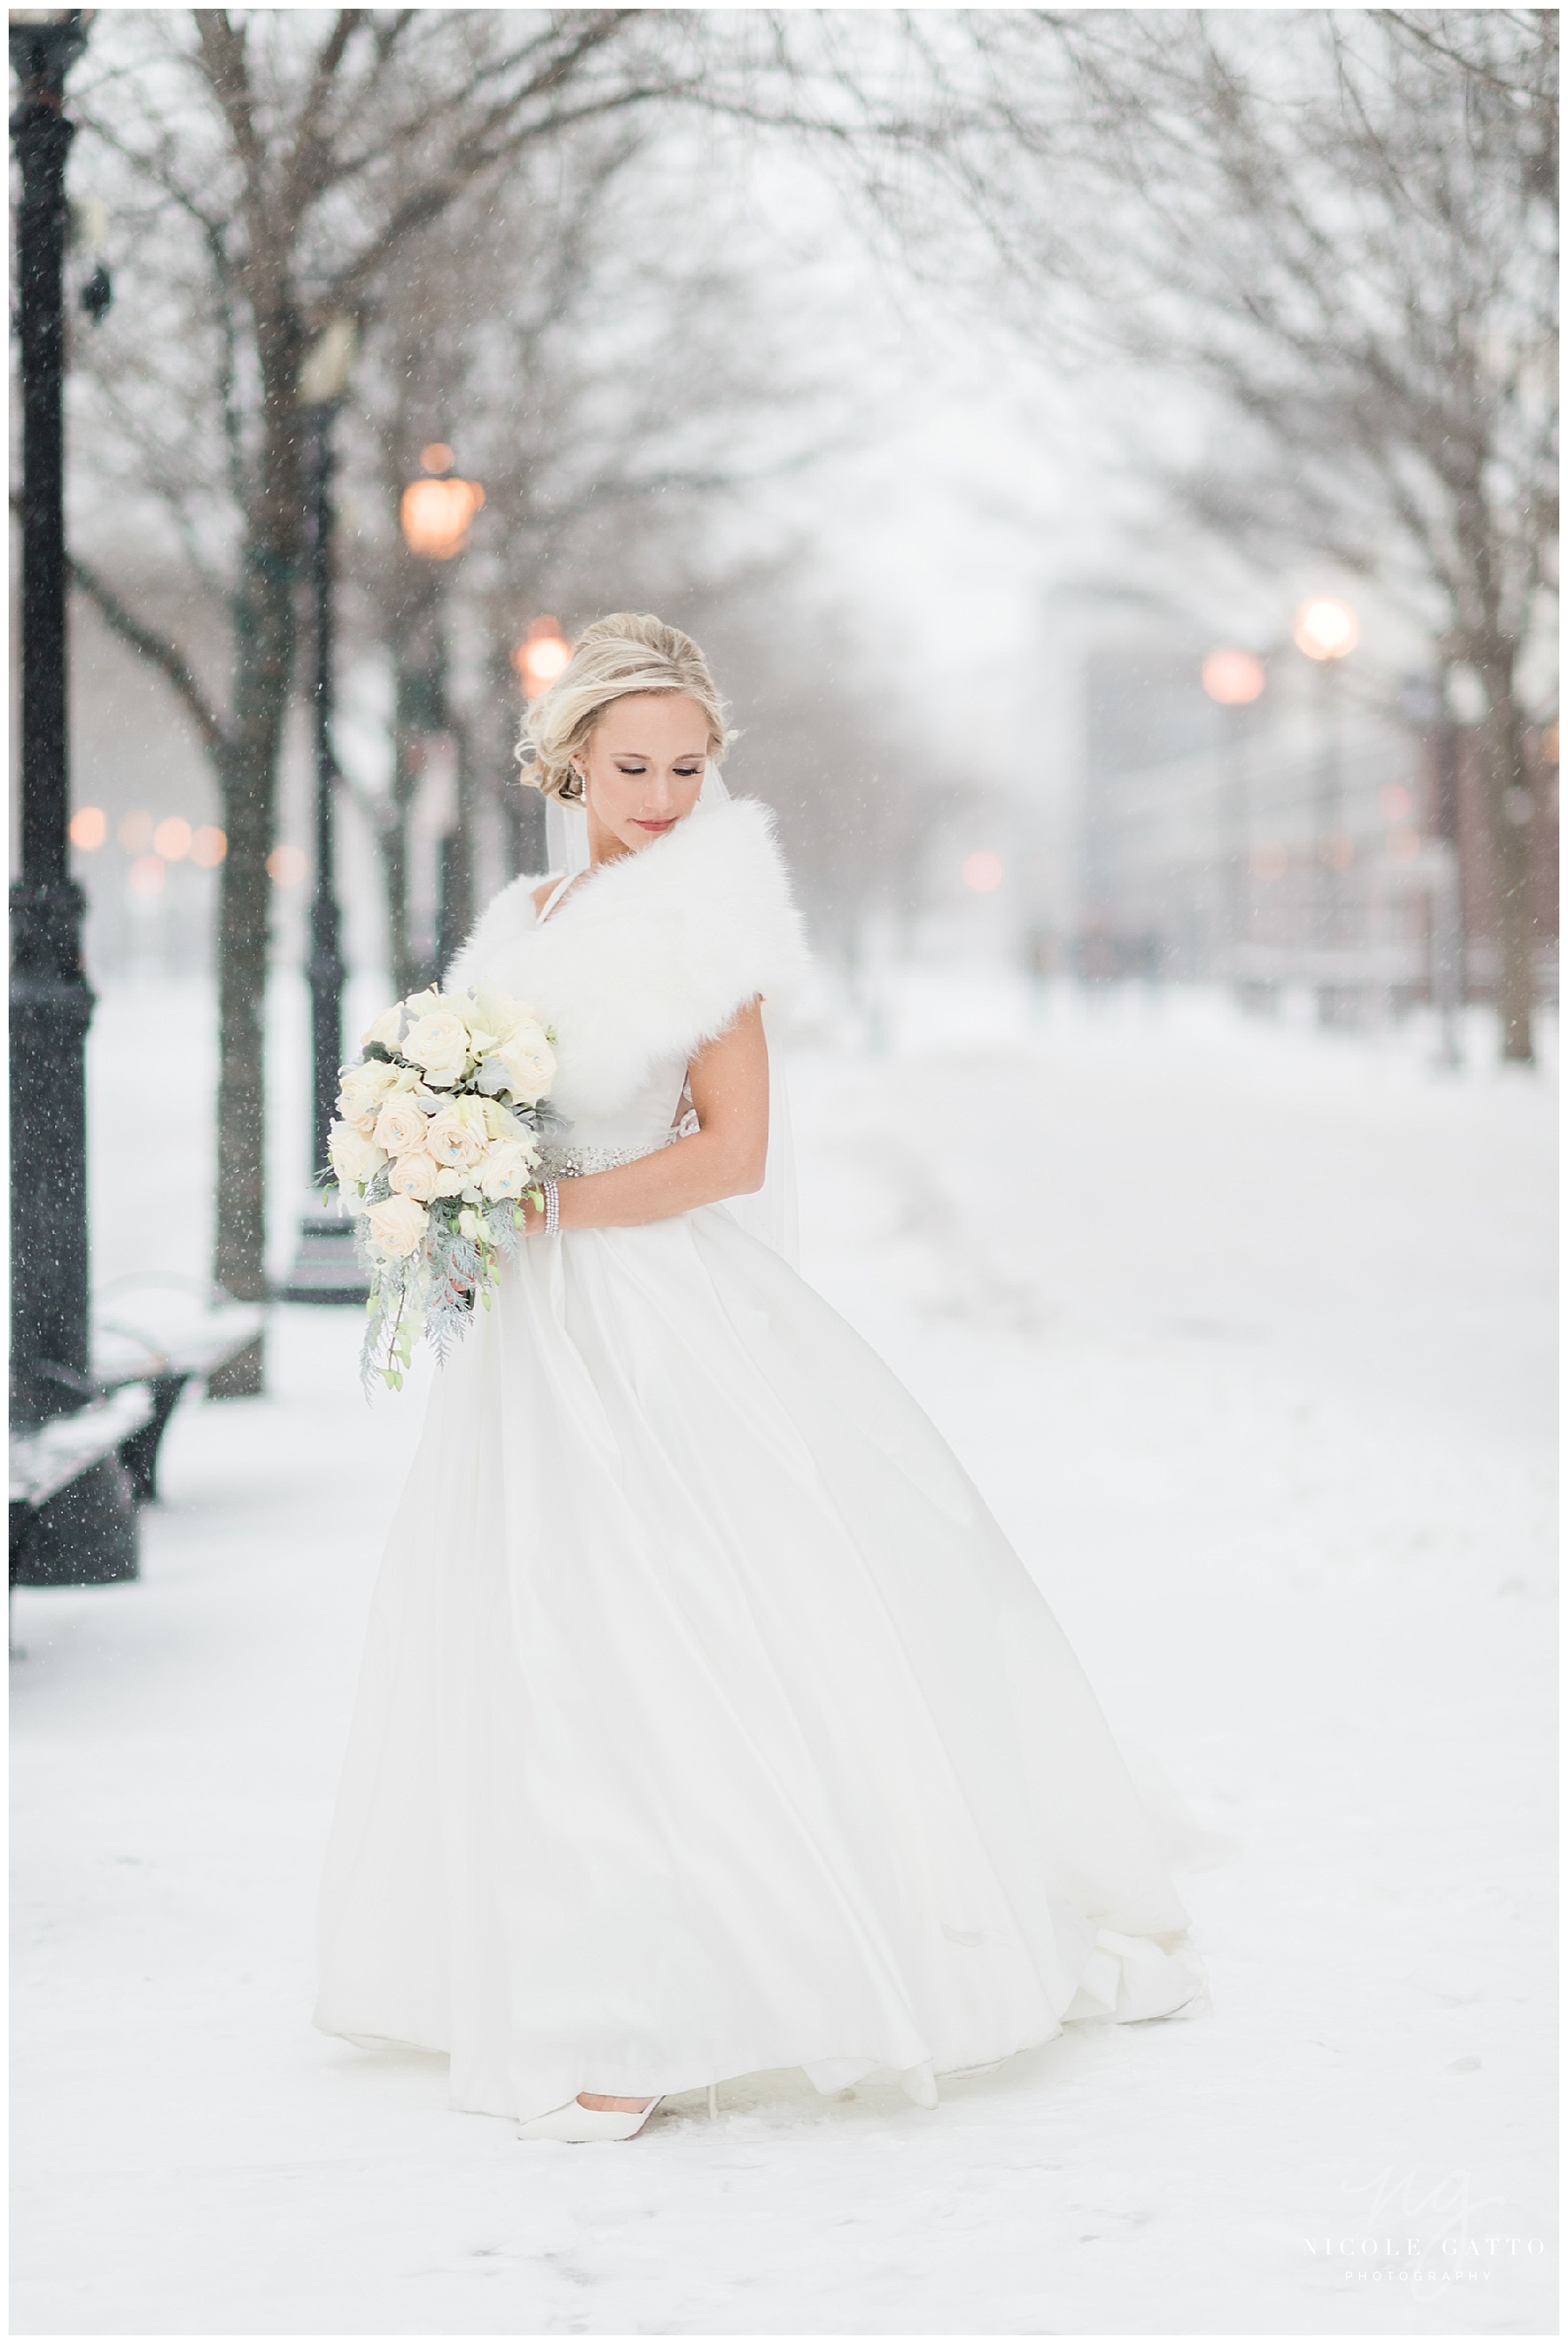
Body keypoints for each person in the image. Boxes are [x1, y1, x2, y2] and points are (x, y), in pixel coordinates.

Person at [314, 613, 1205, 2144]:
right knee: (545, 1628)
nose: (662, 792)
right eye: (633, 762)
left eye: (688, 764)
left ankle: (655, 2009)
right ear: (570, 757)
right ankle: (548, 1962)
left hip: (647, 1311)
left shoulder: (709, 934)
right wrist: (435, 1172)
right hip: (535, 1334)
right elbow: (474, 1077)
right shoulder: (524, 918)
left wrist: (536, 1205)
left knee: (664, 1620)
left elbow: (731, 1153)